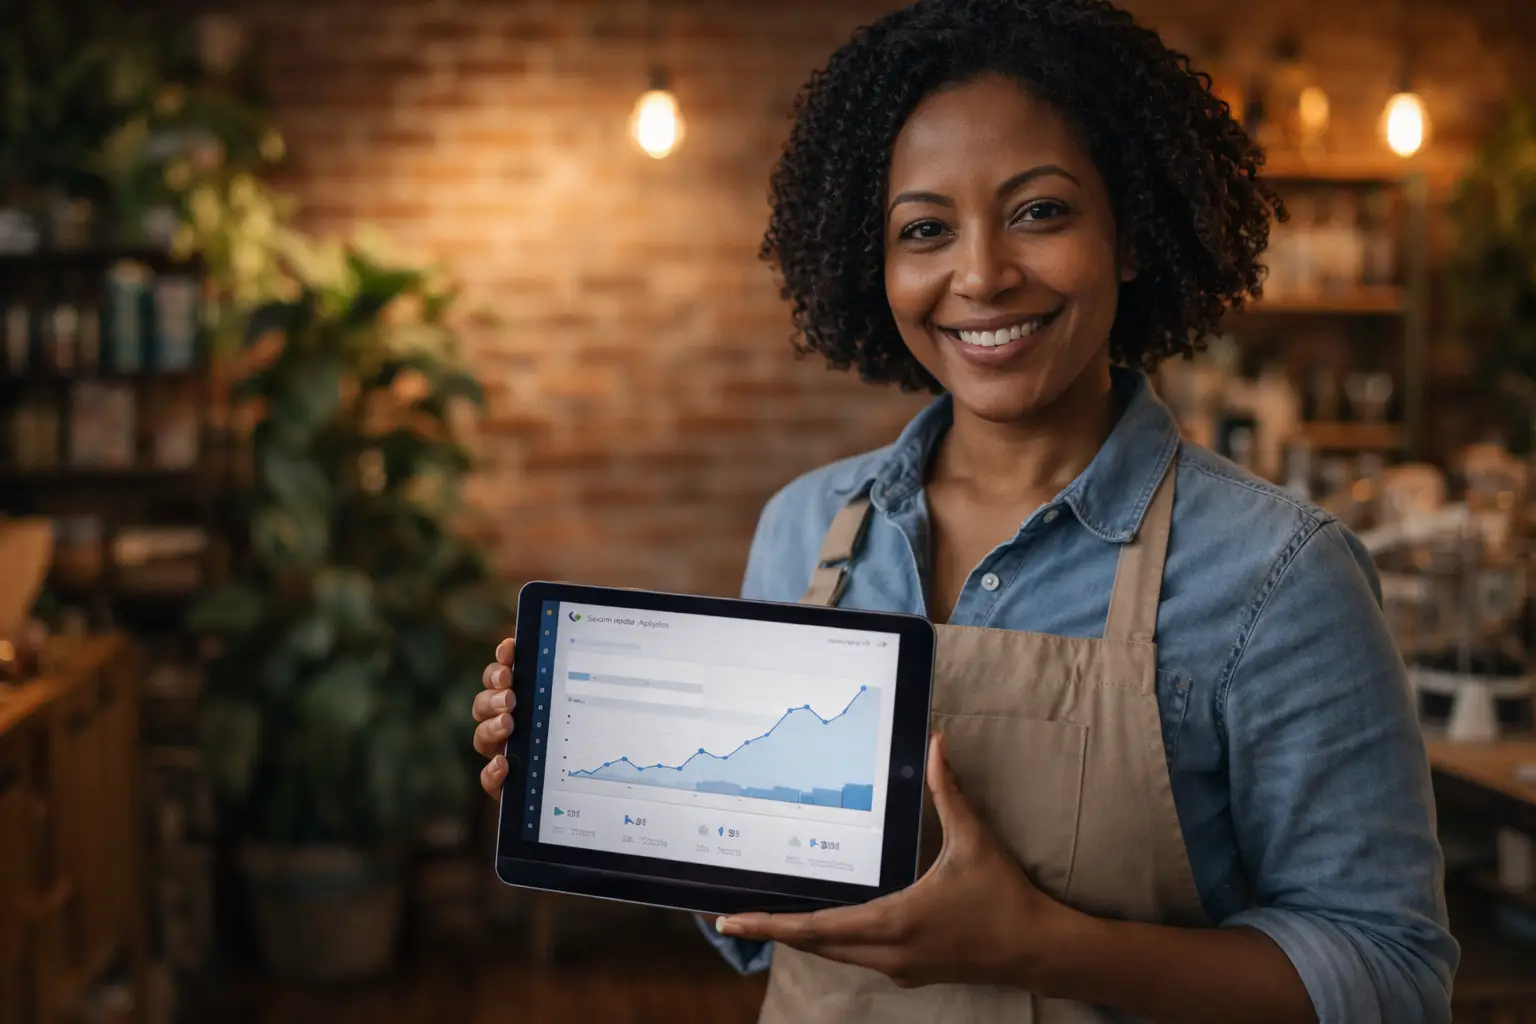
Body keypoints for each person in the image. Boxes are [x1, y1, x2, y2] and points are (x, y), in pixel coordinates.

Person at [472, 0, 1458, 1019]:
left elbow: (1390, 975)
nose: (981, 275)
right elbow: (755, 930)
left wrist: (1041, 946)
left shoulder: (1277, 575)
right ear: (877, 264)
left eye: (1040, 212)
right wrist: (608, 789)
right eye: (925, 230)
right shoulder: (806, 529)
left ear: (1129, 232)